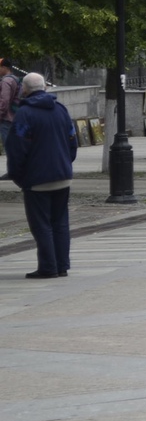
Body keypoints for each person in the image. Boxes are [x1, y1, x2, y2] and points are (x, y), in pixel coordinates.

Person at [5, 73, 77, 279]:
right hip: (63, 176)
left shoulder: (25, 114)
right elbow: (72, 140)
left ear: (24, 90)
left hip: (37, 179)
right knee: (60, 222)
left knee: (42, 224)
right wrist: (65, 163)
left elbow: (17, 148)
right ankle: (62, 265)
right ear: (45, 87)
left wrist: (18, 176)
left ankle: (48, 267)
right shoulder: (61, 110)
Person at [0, 58, 20, 147]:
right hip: (15, 116)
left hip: (6, 119)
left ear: (4, 67)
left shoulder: (6, 81)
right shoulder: (15, 79)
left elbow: (4, 101)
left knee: (10, 149)